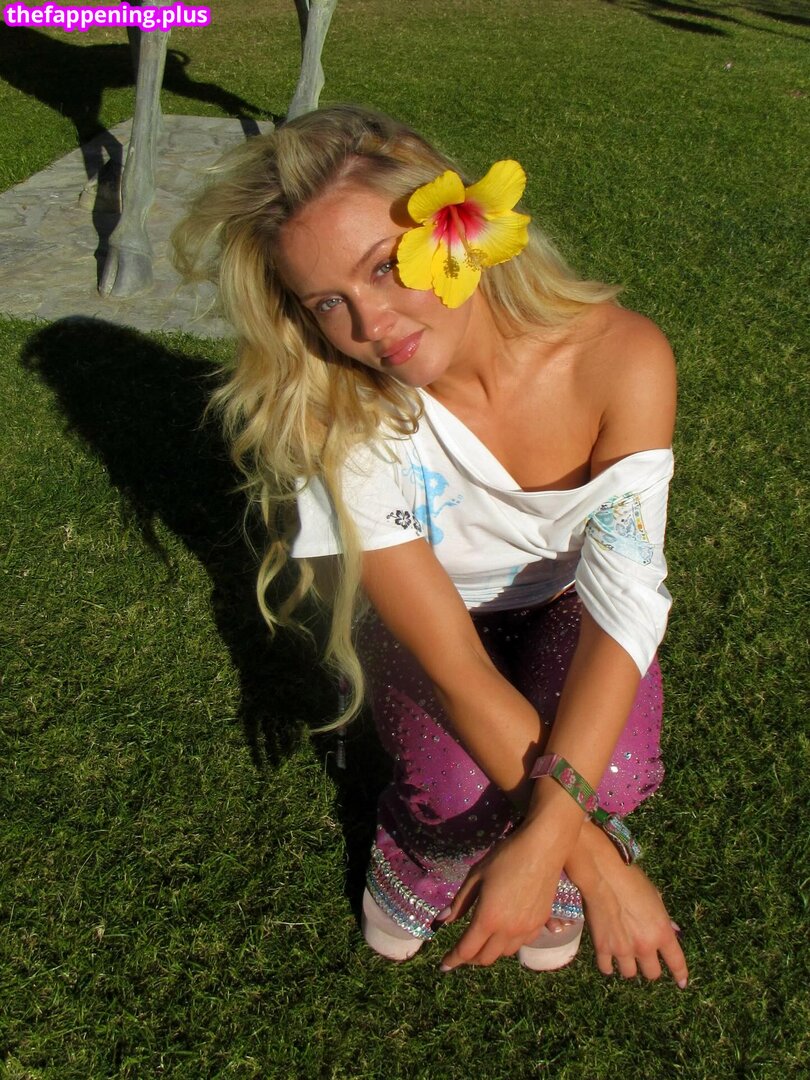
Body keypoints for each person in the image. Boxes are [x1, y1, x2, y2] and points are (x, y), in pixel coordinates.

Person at [173, 104, 688, 986]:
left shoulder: (620, 358)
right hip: (431, 621)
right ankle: (420, 853)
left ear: (461, 229)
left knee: (620, 763)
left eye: (383, 266)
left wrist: (547, 836)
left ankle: (530, 854)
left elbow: (622, 609)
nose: (369, 325)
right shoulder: (339, 407)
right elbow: (452, 662)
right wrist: (596, 861)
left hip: (566, 603)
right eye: (327, 302)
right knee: (458, 794)